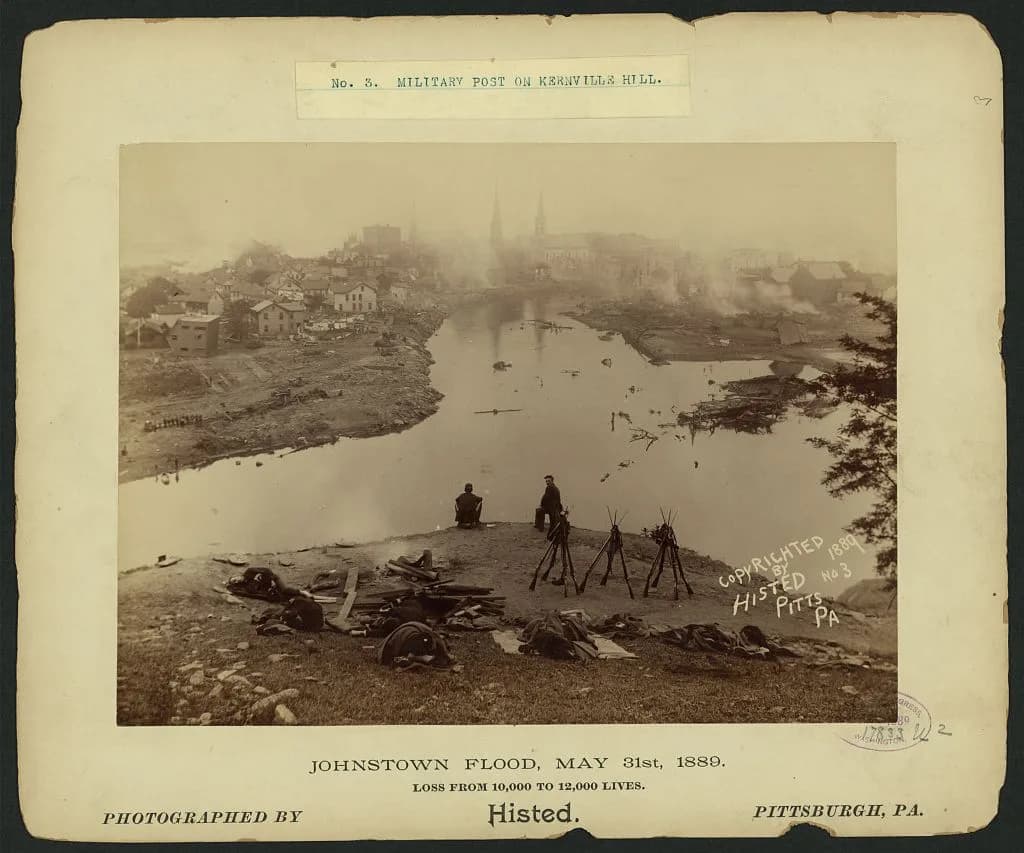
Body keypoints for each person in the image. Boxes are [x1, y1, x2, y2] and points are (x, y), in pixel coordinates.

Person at [539, 474, 563, 539]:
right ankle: (552, 536)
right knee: (553, 522)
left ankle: (549, 535)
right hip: (556, 508)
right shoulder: (555, 488)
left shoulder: (550, 488)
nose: (547, 482)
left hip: (553, 508)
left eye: (548, 481)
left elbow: (546, 498)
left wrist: (541, 505)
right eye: (546, 481)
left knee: (553, 522)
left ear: (552, 481)